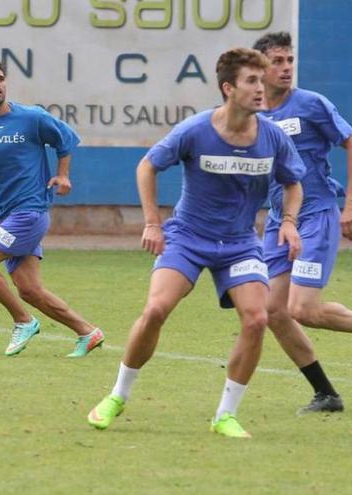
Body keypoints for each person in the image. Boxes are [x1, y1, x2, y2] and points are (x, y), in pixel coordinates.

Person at [87, 48, 306, 438]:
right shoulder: (195, 130)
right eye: (252, 81)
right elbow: (147, 166)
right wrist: (153, 224)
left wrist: (289, 222)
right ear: (228, 88)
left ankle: (225, 415)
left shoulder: (272, 136)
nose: (262, 88)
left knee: (257, 319)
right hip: (188, 237)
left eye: (263, 79)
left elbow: (293, 183)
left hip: (240, 243)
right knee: (156, 309)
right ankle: (117, 396)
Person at [253, 32, 352, 415]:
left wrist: (350, 204)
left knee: (302, 308)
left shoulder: (311, 104)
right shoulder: (254, 113)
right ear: (259, 67)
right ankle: (327, 394)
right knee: (272, 311)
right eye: (278, 61)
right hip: (278, 222)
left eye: (290, 60)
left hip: (317, 215)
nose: (286, 68)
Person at [0, 56, 104, 358]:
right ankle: (87, 331)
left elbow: (66, 140)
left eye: (0, 79)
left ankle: (23, 321)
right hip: (6, 215)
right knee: (29, 289)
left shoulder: (31, 117)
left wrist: (63, 175)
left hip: (30, 213)